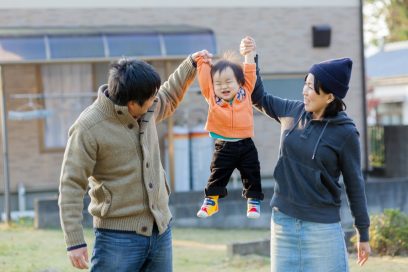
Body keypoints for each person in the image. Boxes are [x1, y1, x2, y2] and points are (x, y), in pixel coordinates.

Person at [58, 51, 211, 271]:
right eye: (151, 98)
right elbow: (71, 184)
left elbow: (168, 96)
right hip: (116, 239)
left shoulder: (146, 109)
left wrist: (191, 65)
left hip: (161, 230)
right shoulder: (88, 127)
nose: (155, 101)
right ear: (131, 104)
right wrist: (74, 241)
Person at [240, 37, 371, 271]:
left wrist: (363, 231)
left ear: (330, 96)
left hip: (322, 227)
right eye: (305, 83)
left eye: (311, 87)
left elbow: (355, 184)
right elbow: (258, 97)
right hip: (283, 222)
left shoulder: (346, 133)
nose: (305, 91)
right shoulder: (293, 111)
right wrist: (250, 59)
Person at [195, 45, 264, 220]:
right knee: (218, 173)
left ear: (239, 82)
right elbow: (204, 80)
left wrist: (249, 55)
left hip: (246, 143)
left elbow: (249, 71)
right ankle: (211, 201)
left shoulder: (246, 90)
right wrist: (203, 61)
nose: (223, 87)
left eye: (228, 82)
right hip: (224, 146)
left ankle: (253, 201)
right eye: (218, 83)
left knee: (252, 171)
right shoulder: (212, 96)